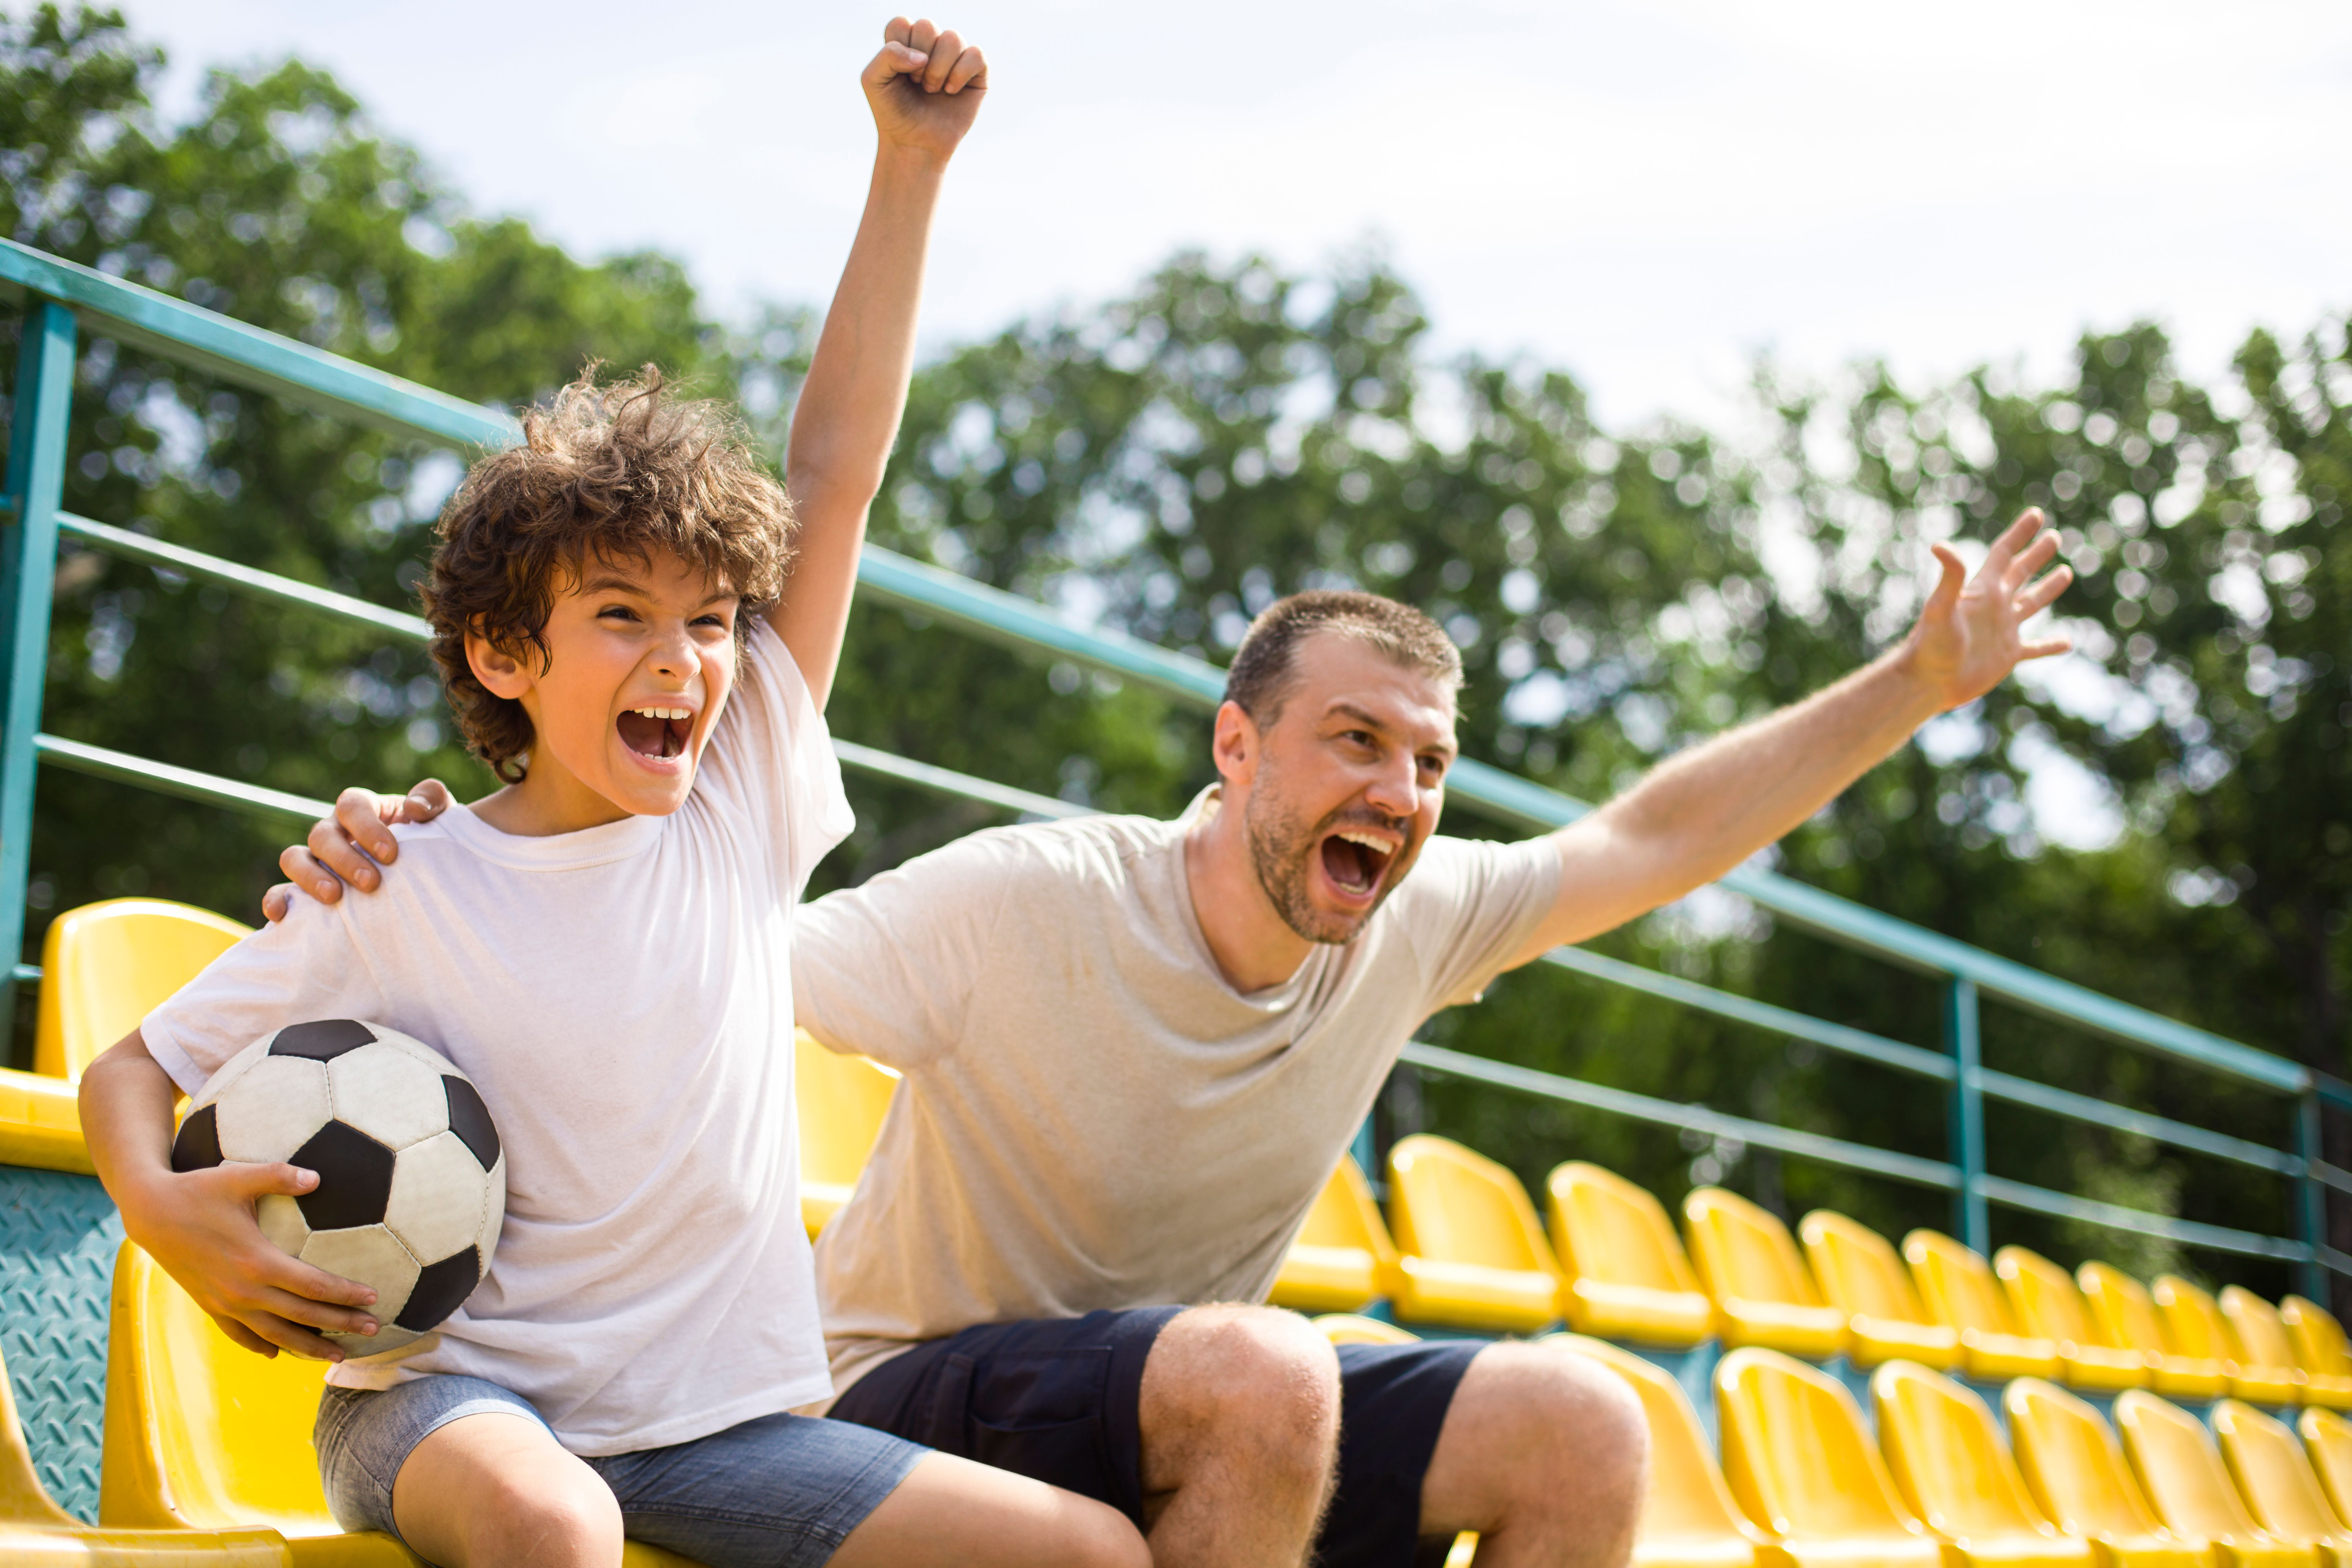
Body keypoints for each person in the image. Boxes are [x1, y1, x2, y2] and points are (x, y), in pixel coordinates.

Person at [283, 508, 2071, 1557]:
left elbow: (1658, 836)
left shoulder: (1418, 917)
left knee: (1580, 1427)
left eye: (1432, 763)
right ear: (1237, 748)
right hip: (913, 1394)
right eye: (1358, 741)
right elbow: (685, 977)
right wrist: (447, 859)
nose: (1404, 789)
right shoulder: (1028, 900)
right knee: (1259, 1371)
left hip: (1194, 1405)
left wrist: (1918, 681)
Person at [81, 22, 1147, 1568]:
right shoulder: (403, 882)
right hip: (451, 1414)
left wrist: (909, 171)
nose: (687, 661)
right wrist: (162, 1213)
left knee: (1095, 1555)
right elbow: (132, 1065)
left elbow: (834, 471)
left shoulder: (741, 800)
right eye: (623, 616)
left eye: (711, 621)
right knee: (556, 1522)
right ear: (507, 653)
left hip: (722, 1433)